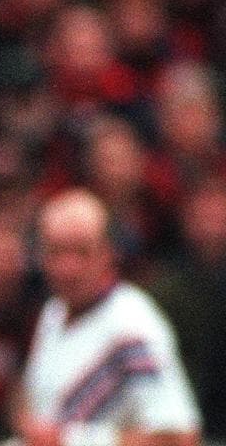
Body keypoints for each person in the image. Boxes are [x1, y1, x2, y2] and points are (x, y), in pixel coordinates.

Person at [13, 187, 202, 446]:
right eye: (56, 251)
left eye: (81, 252)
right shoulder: (53, 311)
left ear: (109, 253)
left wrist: (71, 439)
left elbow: (181, 438)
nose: (68, 268)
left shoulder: (133, 327)